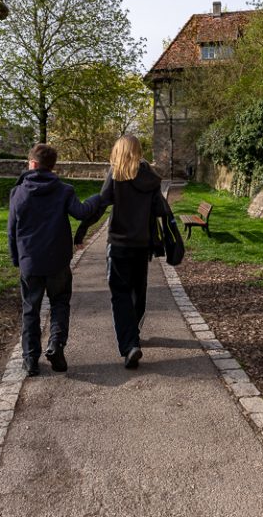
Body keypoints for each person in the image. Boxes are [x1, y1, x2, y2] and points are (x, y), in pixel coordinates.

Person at [8, 144, 100, 376]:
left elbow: (12, 229)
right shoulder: (64, 190)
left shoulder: (18, 192)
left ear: (33, 164)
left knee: (31, 309)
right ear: (53, 166)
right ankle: (56, 344)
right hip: (58, 261)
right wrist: (99, 197)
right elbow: (81, 212)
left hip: (30, 261)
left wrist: (16, 258)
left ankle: (30, 360)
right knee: (59, 303)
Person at [75, 135, 165, 369]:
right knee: (138, 291)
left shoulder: (116, 175)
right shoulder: (151, 178)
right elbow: (158, 209)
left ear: (119, 151)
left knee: (120, 294)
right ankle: (132, 335)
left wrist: (82, 230)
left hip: (119, 244)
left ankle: (129, 344)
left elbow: (100, 204)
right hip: (142, 244)